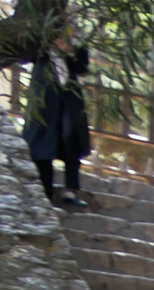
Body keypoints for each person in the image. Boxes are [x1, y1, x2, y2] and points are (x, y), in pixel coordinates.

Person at [21, 8, 90, 209]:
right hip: (44, 95)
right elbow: (26, 56)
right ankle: (45, 191)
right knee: (43, 141)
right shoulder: (39, 34)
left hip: (69, 96)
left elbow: (83, 66)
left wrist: (70, 50)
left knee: (71, 138)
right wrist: (47, 41)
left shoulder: (76, 38)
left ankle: (71, 190)